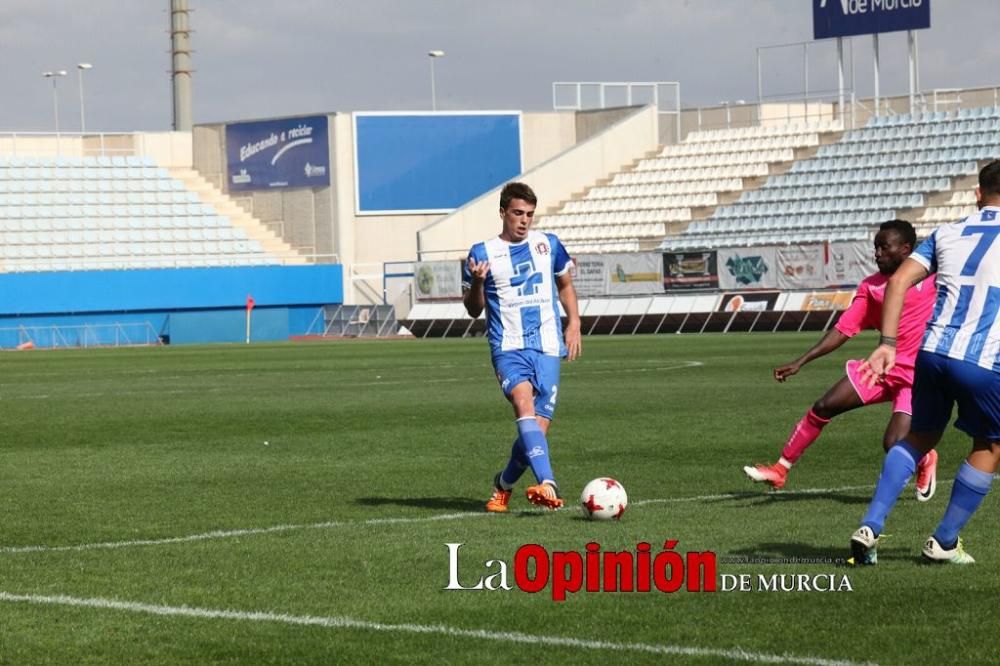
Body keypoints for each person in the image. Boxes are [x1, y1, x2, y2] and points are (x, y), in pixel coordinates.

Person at [851, 160, 1000, 565]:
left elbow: (898, 281)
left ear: (977, 194)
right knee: (989, 444)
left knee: (919, 437)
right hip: (983, 359)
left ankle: (871, 524)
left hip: (931, 355)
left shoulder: (946, 232)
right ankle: (944, 541)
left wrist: (887, 343)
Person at [744, 220, 938, 496]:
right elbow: (843, 329)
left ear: (906, 250)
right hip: (880, 368)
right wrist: (802, 360)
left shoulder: (934, 278)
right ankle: (780, 470)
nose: (877, 253)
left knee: (894, 444)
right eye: (875, 247)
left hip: (915, 376)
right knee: (824, 406)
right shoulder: (871, 287)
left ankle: (926, 458)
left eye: (884, 247)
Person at [462, 181, 582, 512]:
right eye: (517, 213)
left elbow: (565, 284)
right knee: (522, 402)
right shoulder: (482, 253)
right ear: (503, 212)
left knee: (535, 433)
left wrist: (574, 322)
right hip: (508, 346)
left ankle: (503, 485)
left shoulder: (549, 244)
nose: (524, 220)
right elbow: (473, 309)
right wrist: (478, 283)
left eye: (529, 214)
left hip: (547, 345)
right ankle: (549, 483)